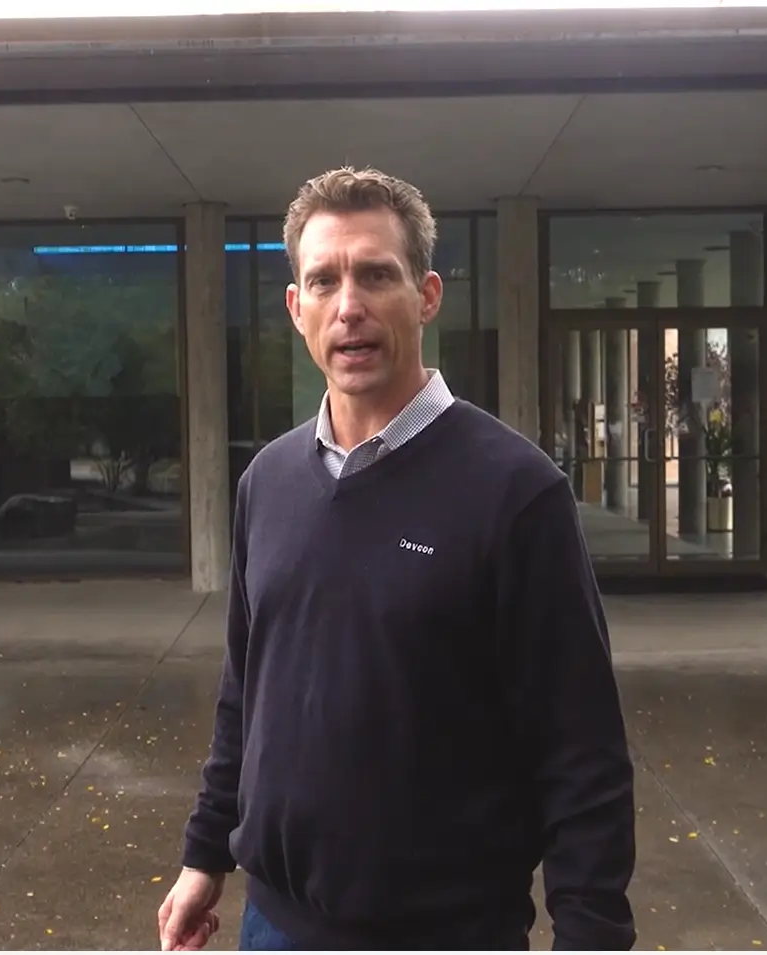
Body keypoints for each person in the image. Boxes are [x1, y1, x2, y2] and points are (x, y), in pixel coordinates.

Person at [157, 167, 637, 951]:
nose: (349, 305)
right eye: (323, 280)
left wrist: (590, 935)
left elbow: (579, 746)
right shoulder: (266, 482)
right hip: (274, 925)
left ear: (426, 294)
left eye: (376, 274)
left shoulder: (515, 491)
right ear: (296, 308)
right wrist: (204, 854)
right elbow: (247, 691)